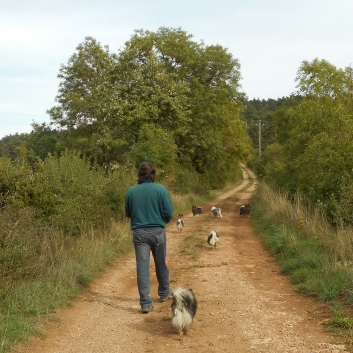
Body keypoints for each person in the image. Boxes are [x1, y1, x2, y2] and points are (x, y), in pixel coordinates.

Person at [125, 161, 173, 313]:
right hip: (158, 231)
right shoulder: (160, 189)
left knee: (142, 268)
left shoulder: (131, 191)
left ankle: (145, 302)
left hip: (139, 234)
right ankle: (164, 293)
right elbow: (169, 213)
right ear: (153, 174)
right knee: (161, 263)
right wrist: (161, 222)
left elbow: (128, 213)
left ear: (139, 175)